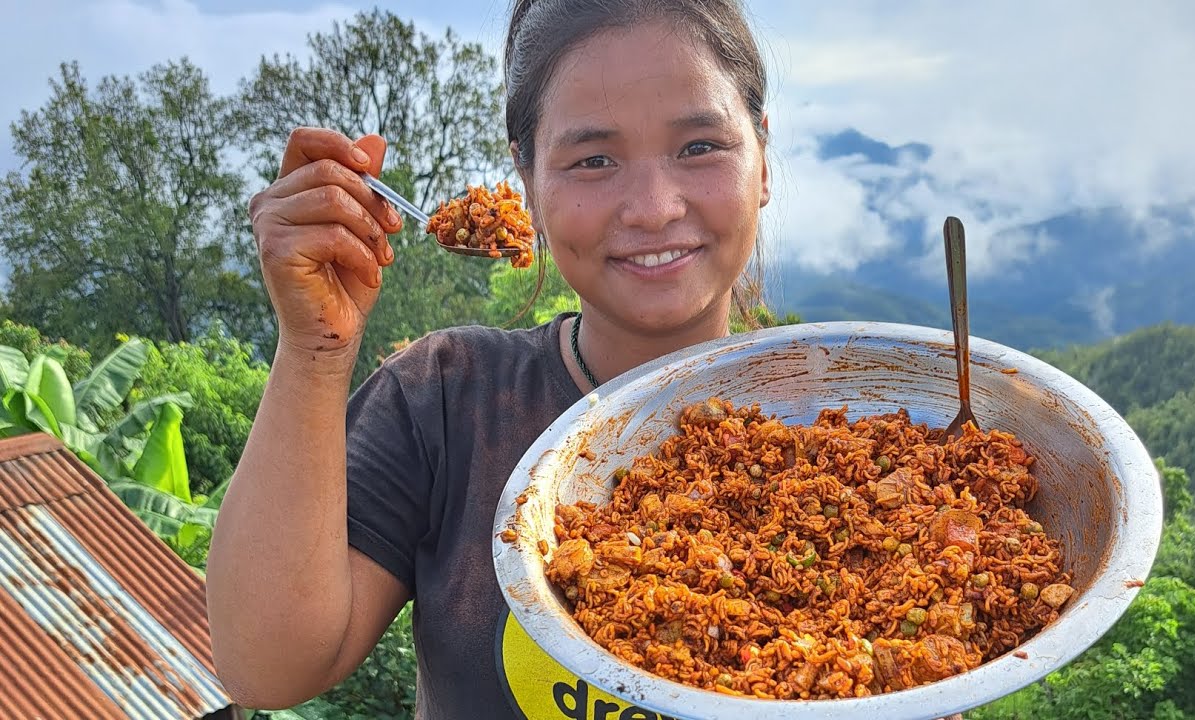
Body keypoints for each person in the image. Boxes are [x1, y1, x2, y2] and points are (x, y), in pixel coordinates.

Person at [206, 1, 962, 718]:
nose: (654, 207)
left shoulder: (863, 433)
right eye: (593, 159)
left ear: (763, 158)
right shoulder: (447, 401)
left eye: (699, 147)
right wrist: (313, 350)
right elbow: (267, 666)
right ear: (528, 180)